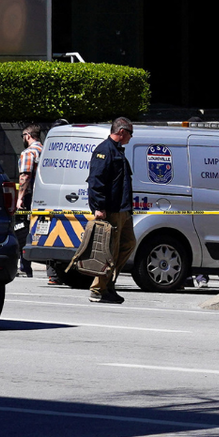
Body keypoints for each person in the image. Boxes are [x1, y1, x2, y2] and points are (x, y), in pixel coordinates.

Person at [86, 117, 137, 303]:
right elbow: (95, 181)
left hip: (123, 209)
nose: (131, 137)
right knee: (109, 251)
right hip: (111, 210)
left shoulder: (118, 151)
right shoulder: (104, 150)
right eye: (131, 133)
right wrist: (98, 207)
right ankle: (99, 289)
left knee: (129, 243)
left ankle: (109, 283)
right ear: (122, 131)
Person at [15, 124, 44, 277]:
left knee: (22, 228)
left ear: (27, 135)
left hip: (30, 196)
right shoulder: (45, 151)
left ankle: (25, 266)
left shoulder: (29, 153)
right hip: (43, 196)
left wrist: (20, 198)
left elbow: (25, 176)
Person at [46, 120, 70, 285]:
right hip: (59, 199)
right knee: (52, 234)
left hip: (51, 197)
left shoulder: (49, 150)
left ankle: (54, 275)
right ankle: (54, 274)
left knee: (50, 235)